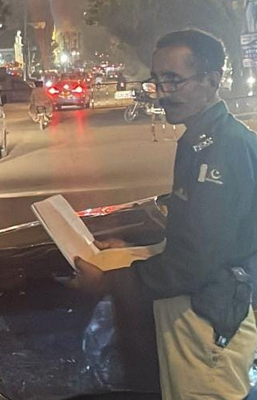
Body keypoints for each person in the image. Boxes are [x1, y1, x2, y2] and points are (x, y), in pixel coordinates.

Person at [69, 29, 257, 400]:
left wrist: (109, 282)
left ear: (211, 81)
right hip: (196, 313)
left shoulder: (225, 148)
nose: (162, 92)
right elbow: (195, 238)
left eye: (174, 80)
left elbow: (196, 261)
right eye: (157, 80)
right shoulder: (200, 141)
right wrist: (127, 249)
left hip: (210, 320)